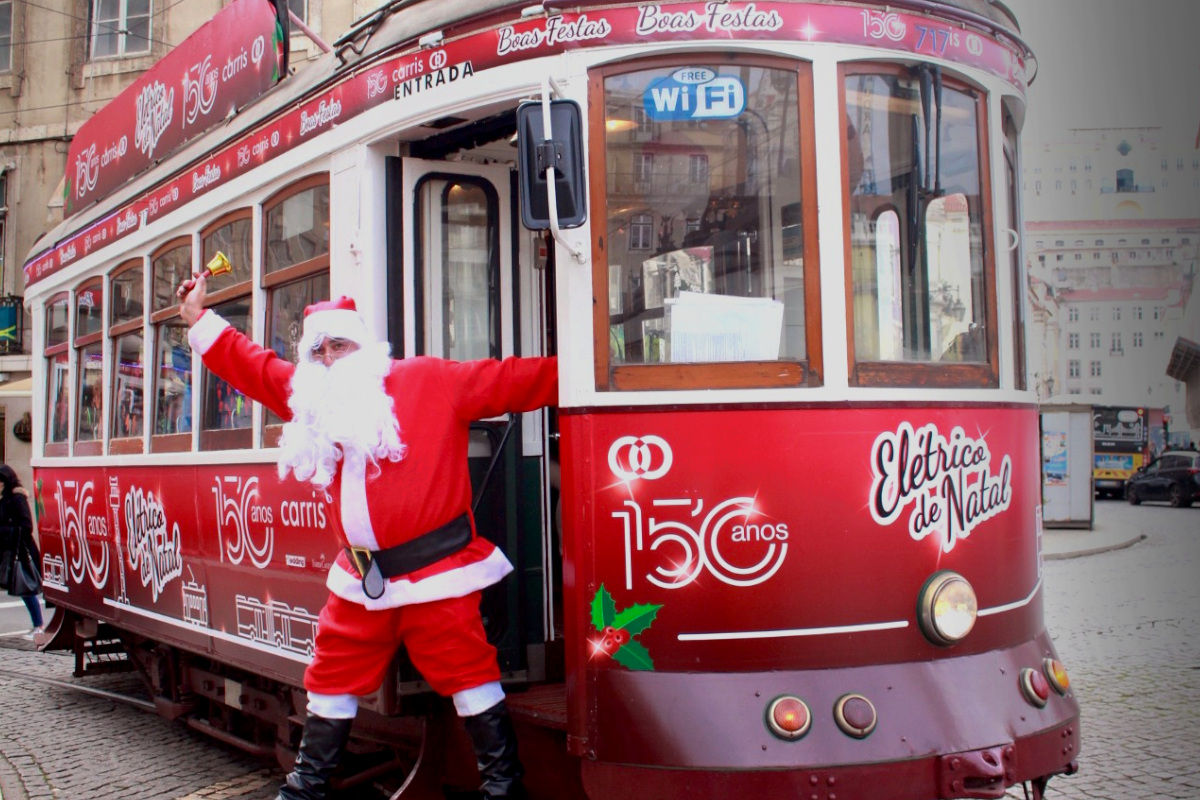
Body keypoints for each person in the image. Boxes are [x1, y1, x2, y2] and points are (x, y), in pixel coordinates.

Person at [180, 277, 556, 800]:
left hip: (437, 574)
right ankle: (304, 789)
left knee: (470, 674)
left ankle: (503, 788)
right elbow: (255, 368)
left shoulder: (427, 379)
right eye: (319, 350)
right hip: (363, 579)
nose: (330, 359)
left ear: (363, 346)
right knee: (330, 678)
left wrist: (595, 365)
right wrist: (200, 319)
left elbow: (515, 379)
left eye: (340, 345)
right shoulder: (315, 398)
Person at [0, 465, 42, 638]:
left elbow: (26, 527)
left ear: (5, 482)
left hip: (19, 551)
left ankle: (38, 625)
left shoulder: (17, 499)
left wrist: (4, 531)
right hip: (4, 551)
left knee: (25, 587)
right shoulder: (2, 499)